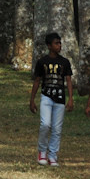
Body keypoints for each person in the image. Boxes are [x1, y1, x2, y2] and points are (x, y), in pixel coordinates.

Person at [30, 32, 74, 167]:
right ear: (49, 46)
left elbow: (68, 80)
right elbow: (37, 81)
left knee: (57, 128)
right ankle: (42, 152)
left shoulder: (65, 62)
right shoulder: (42, 62)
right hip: (46, 97)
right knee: (45, 124)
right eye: (56, 43)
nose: (59, 45)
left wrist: (71, 98)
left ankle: (53, 155)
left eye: (60, 43)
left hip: (60, 98)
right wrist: (32, 100)